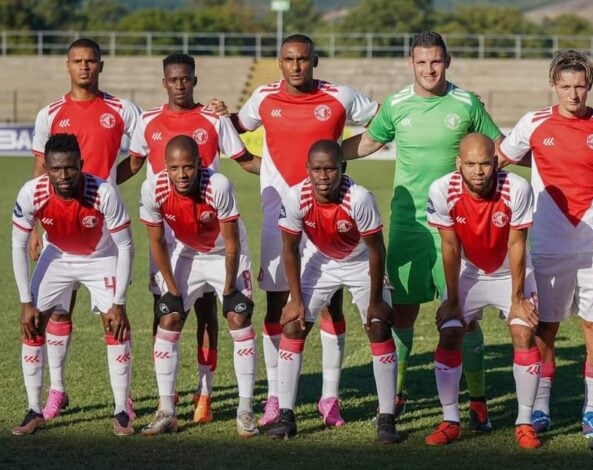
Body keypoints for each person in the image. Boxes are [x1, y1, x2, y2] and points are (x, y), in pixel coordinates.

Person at [342, 31, 502, 428]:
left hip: (455, 224)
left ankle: (478, 398)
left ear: (446, 61)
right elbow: (366, 144)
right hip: (409, 225)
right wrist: (319, 154)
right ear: (411, 64)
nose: (429, 69)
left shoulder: (466, 103)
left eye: (435, 61)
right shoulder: (397, 104)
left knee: (463, 316)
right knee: (403, 314)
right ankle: (395, 393)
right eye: (421, 62)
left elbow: (498, 148)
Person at [234, 33, 380, 427]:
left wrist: (341, 154)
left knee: (331, 307)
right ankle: (276, 399)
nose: (296, 65)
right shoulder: (264, 97)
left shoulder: (341, 96)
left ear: (315, 61)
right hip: (277, 218)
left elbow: (382, 123)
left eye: (303, 59)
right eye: (288, 59)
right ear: (279, 62)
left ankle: (329, 399)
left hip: (328, 216)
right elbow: (234, 127)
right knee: (279, 306)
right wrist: (257, 163)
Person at [498, 50, 593, 437]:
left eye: (580, 86)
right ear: (553, 85)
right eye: (566, 86)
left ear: (589, 86)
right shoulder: (533, 123)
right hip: (547, 243)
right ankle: (540, 408)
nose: (573, 94)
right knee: (546, 330)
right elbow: (496, 161)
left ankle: (592, 409)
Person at [125, 53, 260, 424]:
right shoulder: (147, 122)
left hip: (215, 230)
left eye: (186, 79)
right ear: (164, 81)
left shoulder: (213, 120)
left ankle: (207, 392)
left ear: (194, 80)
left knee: (213, 313)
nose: (179, 85)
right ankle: (165, 402)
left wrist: (288, 172)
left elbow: (245, 159)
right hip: (171, 239)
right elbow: (134, 164)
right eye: (173, 79)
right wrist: (95, 185)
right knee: (167, 312)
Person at [28, 38, 142, 422]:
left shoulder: (122, 110)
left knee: (111, 316)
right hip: (58, 231)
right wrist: (33, 229)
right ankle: (57, 391)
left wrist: (107, 189)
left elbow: (140, 155)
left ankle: (122, 400)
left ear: (101, 65)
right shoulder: (50, 113)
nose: (84, 67)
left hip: (103, 233)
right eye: (77, 61)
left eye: (91, 61)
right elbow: (40, 172)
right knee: (58, 314)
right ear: (67, 65)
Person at [267, 140, 400, 444]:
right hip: (321, 261)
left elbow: (377, 249)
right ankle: (286, 415)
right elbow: (290, 250)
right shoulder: (295, 197)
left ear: (343, 168)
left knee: (379, 328)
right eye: (317, 169)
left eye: (330, 169)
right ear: (307, 170)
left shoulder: (359, 198)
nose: (323, 176)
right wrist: (296, 300)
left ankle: (387, 417)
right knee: (292, 324)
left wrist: (377, 300)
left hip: (360, 261)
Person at [11, 133, 135, 436]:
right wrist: (25, 301)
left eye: (70, 168)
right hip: (58, 256)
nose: (63, 176)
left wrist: (118, 302)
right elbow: (17, 246)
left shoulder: (103, 192)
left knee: (115, 325)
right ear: (46, 168)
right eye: (55, 169)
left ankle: (121, 411)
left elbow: (127, 246)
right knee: (33, 323)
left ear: (80, 164)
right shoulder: (31, 193)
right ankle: (34, 410)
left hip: (101, 255)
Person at [425, 133, 541, 448]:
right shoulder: (441, 190)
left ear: (496, 162)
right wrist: (451, 299)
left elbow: (518, 244)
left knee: (523, 333)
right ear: (458, 163)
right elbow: (448, 245)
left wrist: (517, 300)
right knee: (450, 331)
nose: (479, 171)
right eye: (472, 164)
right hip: (469, 272)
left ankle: (525, 422)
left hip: (510, 272)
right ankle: (450, 420)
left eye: (486, 164)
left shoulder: (517, 188)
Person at [138, 136, 259, 438]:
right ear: (164, 167)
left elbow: (231, 242)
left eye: (188, 167)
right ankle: (167, 411)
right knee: (169, 317)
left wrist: (230, 288)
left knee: (237, 317)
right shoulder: (153, 189)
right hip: (187, 251)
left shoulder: (218, 185)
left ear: (200, 165)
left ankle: (245, 410)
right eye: (175, 167)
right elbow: (156, 242)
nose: (182, 174)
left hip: (224, 253)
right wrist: (171, 288)